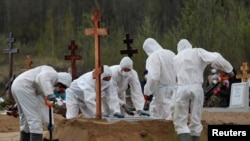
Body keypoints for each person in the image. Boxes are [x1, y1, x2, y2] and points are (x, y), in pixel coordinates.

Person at [173, 39, 234, 141]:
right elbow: (216, 57)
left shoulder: (176, 58)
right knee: (196, 118)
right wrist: (229, 69)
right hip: (196, 87)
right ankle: (195, 137)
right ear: (189, 45)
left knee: (180, 120)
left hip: (181, 88)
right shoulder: (197, 52)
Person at [11, 65, 72, 141]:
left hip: (18, 86)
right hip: (24, 87)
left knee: (26, 120)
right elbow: (42, 77)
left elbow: (44, 105)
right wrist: (50, 94)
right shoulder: (52, 73)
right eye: (61, 85)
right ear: (60, 80)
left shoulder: (45, 86)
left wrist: (50, 123)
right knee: (35, 119)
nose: (59, 87)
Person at [142, 37, 177, 119]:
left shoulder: (154, 57)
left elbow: (154, 77)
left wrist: (147, 90)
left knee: (159, 117)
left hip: (161, 92)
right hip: (174, 89)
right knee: (173, 115)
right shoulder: (171, 53)